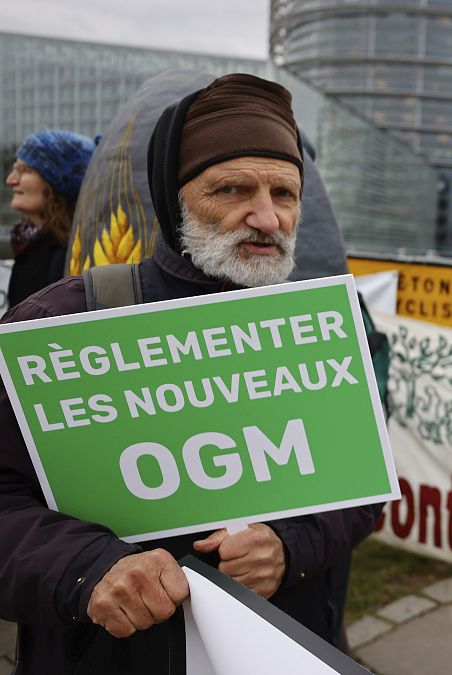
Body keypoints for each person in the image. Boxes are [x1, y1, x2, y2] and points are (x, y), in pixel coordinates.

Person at [0, 73, 381, 674]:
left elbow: (362, 487)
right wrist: (86, 569)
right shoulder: (61, 322)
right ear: (173, 195)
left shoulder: (322, 331)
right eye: (232, 189)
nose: (266, 217)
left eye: (284, 194)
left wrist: (291, 547)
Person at [5, 129, 94, 306]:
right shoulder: (28, 244)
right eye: (15, 168)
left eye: (24, 170)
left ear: (56, 183)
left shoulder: (66, 256)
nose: (11, 180)